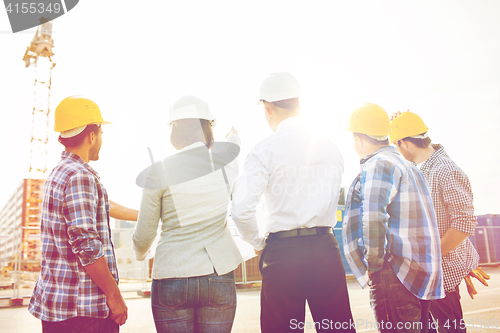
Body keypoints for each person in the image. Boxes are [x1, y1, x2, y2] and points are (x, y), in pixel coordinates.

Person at [231, 72, 355, 332]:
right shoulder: (330, 146)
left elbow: (242, 210)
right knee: (338, 329)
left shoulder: (263, 150)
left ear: (267, 109)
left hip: (283, 254)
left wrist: (258, 244)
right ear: (299, 103)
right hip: (326, 248)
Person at [132, 95, 243, 333]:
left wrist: (140, 254)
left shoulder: (158, 170)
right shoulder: (226, 165)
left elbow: (144, 235)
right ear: (207, 129)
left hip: (173, 274)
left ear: (174, 132)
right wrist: (233, 135)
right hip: (218, 273)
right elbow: (235, 147)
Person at [28, 96, 139, 332]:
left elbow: (103, 204)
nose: (101, 140)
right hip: (82, 311)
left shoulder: (61, 172)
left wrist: (146, 215)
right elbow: (86, 244)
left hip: (60, 306)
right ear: (91, 135)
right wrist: (115, 296)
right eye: (100, 134)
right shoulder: (80, 176)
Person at [343, 103, 444, 333]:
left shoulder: (377, 164)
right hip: (419, 274)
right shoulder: (409, 165)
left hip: (395, 274)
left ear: (359, 139)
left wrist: (374, 264)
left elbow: (373, 217)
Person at [390, 111, 489, 333]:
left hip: (440, 277)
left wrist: (429, 259)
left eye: (396, 145)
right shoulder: (420, 170)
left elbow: (463, 224)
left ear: (404, 143)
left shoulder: (445, 170)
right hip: (427, 276)